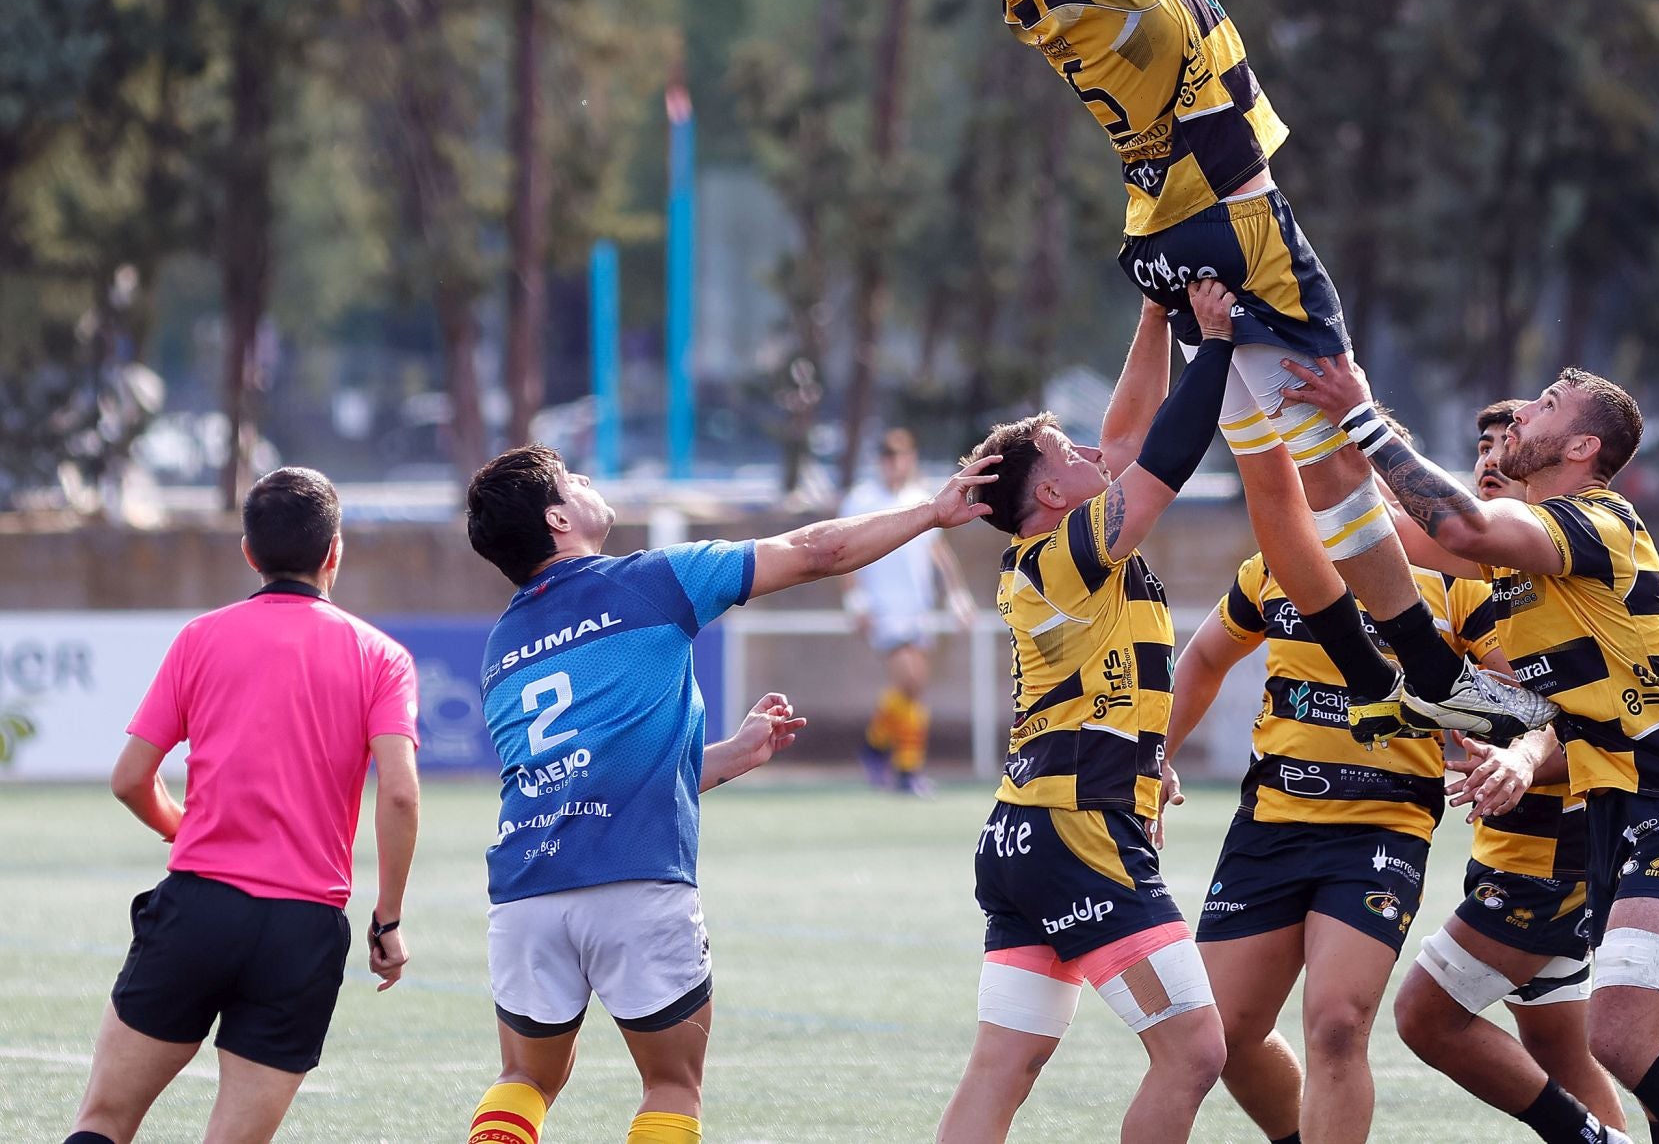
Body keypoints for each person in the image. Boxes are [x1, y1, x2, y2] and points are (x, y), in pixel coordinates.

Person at [821, 0, 1550, 748]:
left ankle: (1382, 671)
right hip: (1239, 223)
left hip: (1171, 236)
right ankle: (1425, 670)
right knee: (1335, 454)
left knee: (1283, 484)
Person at [461, 442, 995, 1144]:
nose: (586, 479)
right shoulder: (650, 581)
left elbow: (584, 777)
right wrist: (930, 512)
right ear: (558, 519)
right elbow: (818, 551)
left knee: (526, 1079)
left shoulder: (501, 648)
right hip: (635, 880)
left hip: (526, 890)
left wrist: (731, 757)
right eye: (571, 479)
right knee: (671, 1085)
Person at [1285, 357, 1659, 1144]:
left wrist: (1361, 415)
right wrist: (1293, 427)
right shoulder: (1517, 554)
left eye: (1547, 404)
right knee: (1656, 1076)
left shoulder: (1599, 521)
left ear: (1581, 447)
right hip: (1615, 816)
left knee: (1618, 1040)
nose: (1524, 414)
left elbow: (1459, 526)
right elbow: (1375, 537)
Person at [1154, 407, 1588, 1144]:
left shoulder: (1454, 585)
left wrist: (1515, 755)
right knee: (1221, 1036)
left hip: (1381, 828)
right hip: (1271, 821)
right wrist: (1156, 756)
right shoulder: (1276, 566)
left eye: (1335, 463)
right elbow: (1202, 660)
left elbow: (1535, 705)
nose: (1316, 479)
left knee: (1336, 1024)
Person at [939, 283, 1239, 1144]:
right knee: (1194, 1050)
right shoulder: (1069, 551)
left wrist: (1152, 318)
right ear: (1048, 493)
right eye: (1067, 450)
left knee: (1002, 1068)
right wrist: (1213, 343)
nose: (1093, 452)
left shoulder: (1054, 552)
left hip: (1026, 833)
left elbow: (1129, 438)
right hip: (1078, 832)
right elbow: (1162, 457)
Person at [64, 467, 420, 1144]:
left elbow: (130, 778)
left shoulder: (201, 638)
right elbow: (399, 793)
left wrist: (182, 828)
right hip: (303, 929)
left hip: (199, 908)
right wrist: (387, 920)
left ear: (249, 552)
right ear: (334, 551)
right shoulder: (382, 657)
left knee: (103, 1122)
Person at [1391, 402, 1629, 1144]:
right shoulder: (1487, 577)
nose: (1492, 458)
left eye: (1510, 443)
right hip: (1514, 846)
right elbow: (1376, 528)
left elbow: (1570, 717)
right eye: (1483, 446)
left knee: (1424, 1016)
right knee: (1562, 1049)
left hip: (1554, 853)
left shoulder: (1551, 573)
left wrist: (1521, 755)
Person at [842, 425, 977, 795]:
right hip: (884, 609)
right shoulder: (861, 499)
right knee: (911, 681)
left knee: (914, 688)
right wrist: (855, 601)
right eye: (888, 457)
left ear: (911, 459)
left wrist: (957, 595)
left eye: (900, 456)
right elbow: (844, 553)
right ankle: (903, 767)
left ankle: (879, 748)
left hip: (918, 609)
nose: (895, 464)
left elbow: (937, 551)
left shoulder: (921, 498)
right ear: (880, 461)